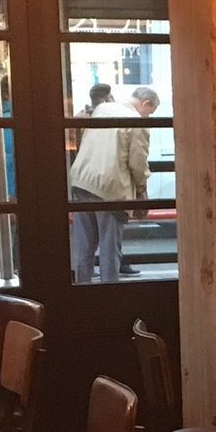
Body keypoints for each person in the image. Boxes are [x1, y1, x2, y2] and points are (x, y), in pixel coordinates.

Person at [68, 85, 158, 283]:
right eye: (150, 113)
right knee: (110, 249)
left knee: (84, 247)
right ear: (145, 103)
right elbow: (138, 162)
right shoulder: (137, 122)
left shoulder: (102, 109)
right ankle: (109, 294)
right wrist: (142, 190)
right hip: (110, 189)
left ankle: (83, 291)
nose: (148, 118)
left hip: (81, 182)